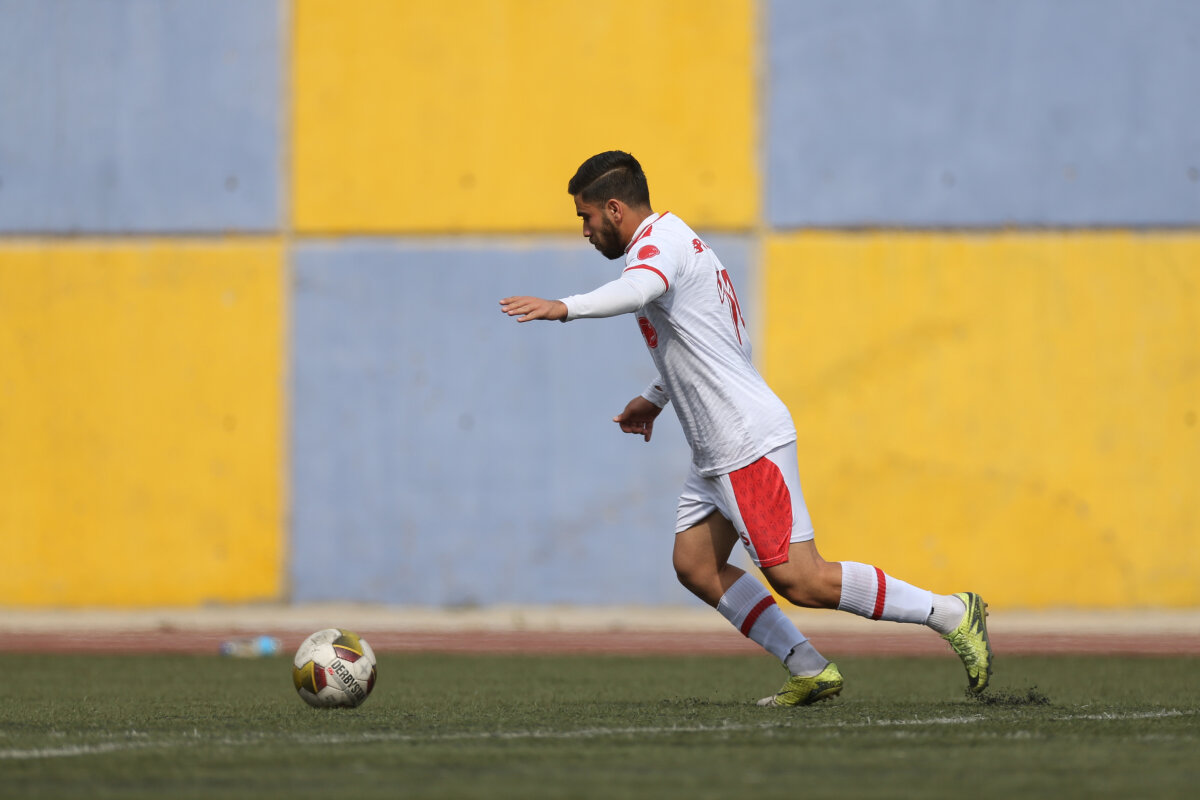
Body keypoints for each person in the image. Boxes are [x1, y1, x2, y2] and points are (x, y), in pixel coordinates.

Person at [500, 151, 992, 706]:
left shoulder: (656, 251)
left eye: (586, 217)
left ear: (614, 209)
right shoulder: (677, 241)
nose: (586, 231)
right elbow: (722, 342)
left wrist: (562, 307)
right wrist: (655, 398)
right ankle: (809, 667)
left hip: (743, 442)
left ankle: (950, 612)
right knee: (696, 564)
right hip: (716, 449)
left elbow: (635, 292)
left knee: (802, 579)